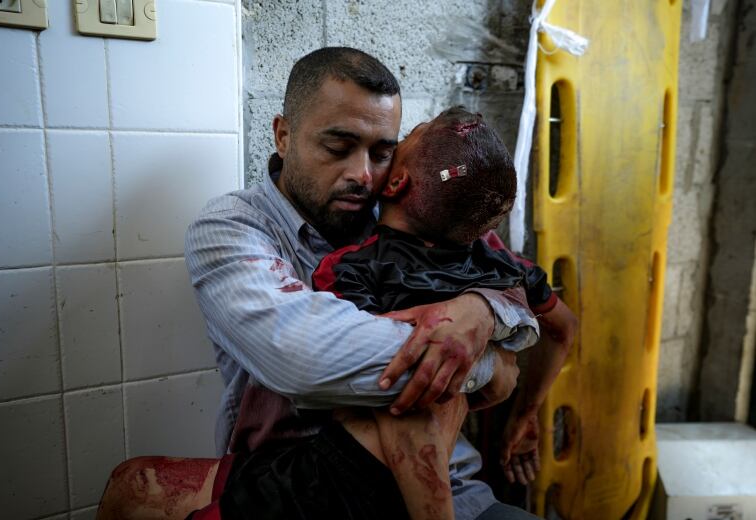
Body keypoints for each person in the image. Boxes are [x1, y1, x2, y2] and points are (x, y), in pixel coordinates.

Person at [97, 47, 576, 520]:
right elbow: (304, 360)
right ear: (283, 135)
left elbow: (510, 281)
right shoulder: (233, 228)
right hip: (298, 482)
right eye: (338, 147)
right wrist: (487, 362)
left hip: (451, 485)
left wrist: (480, 309)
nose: (363, 175)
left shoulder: (415, 208)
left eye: (382, 152)